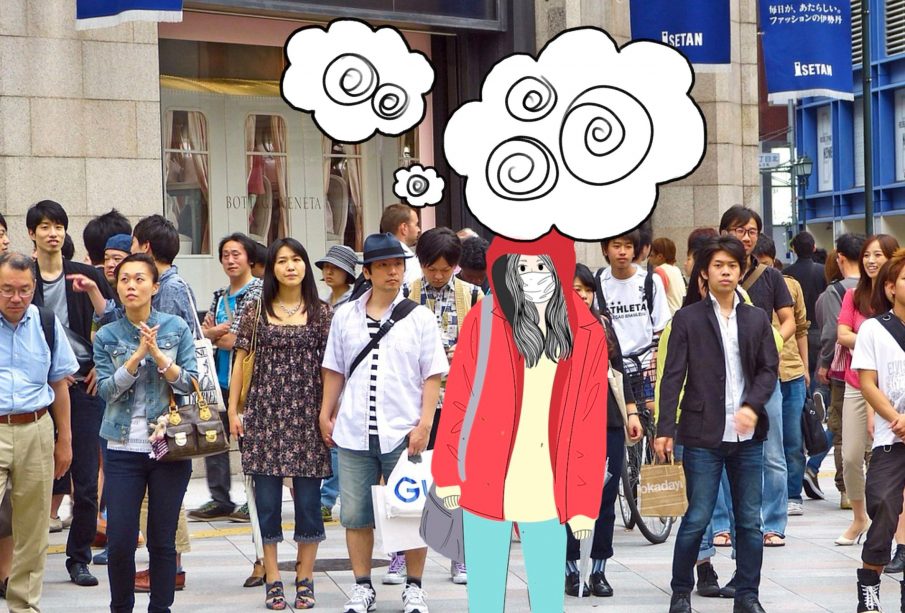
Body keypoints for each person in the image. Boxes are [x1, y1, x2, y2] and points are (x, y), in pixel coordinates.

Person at [432, 230, 609, 613]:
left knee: (547, 590)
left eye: (541, 265)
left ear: (558, 267)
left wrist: (582, 498)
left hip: (547, 473)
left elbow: (589, 421)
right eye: (521, 266)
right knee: (484, 589)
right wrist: (447, 469)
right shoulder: (486, 319)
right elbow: (459, 395)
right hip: (485, 466)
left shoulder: (586, 331)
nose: (531, 275)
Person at [319, 233, 446, 613]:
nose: (393, 272)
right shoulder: (345, 315)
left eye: (397, 265)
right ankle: (362, 586)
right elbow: (335, 368)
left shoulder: (419, 316)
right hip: (355, 430)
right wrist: (326, 411)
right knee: (355, 514)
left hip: (403, 431)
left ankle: (414, 586)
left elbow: (433, 374)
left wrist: (425, 423)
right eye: (384, 266)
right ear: (369, 272)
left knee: (411, 511)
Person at [656, 235, 779, 613]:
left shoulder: (756, 318)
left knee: (749, 522)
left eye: (732, 266)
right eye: (718, 266)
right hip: (702, 433)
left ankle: (747, 595)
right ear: (704, 274)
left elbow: (768, 369)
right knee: (697, 517)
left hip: (746, 436)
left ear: (741, 272)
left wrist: (752, 406)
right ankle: (680, 591)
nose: (725, 272)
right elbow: (673, 375)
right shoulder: (688, 319)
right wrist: (664, 428)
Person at [228, 238, 332, 610]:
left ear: (305, 266)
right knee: (268, 501)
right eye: (282, 261)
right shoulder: (255, 311)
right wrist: (232, 411)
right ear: (271, 268)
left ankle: (305, 576)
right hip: (264, 414)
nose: (290, 266)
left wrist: (330, 412)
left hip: (308, 416)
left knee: (308, 501)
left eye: (297, 260)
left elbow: (332, 370)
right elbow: (240, 361)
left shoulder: (322, 312)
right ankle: (273, 576)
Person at [93, 253, 198, 613]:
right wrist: (137, 356)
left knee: (162, 540)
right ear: (117, 287)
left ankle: (160, 608)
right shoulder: (107, 334)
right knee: (120, 540)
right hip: (122, 448)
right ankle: (120, 607)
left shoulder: (175, 327)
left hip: (168, 447)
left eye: (140, 279)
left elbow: (191, 383)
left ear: (155, 286)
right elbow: (106, 391)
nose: (131, 286)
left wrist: (160, 356)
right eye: (124, 280)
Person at [27, 199, 113, 587]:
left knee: (85, 478)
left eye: (58, 225)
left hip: (83, 386)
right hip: (36, 392)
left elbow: (113, 322)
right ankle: (20, 559)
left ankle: (78, 558)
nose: (53, 233)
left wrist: (102, 364)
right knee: (31, 479)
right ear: (32, 234)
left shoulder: (83, 275)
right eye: (44, 226)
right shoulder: (20, 278)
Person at [401, 227, 483, 586]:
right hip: (415, 402)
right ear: (421, 265)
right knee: (408, 477)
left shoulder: (474, 295)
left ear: (455, 266)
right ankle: (401, 552)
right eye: (431, 269)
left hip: (460, 400)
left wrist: (464, 354)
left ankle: (458, 553)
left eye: (444, 269)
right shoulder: (406, 294)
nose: (437, 276)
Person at [0, 251, 77, 611]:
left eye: (24, 290)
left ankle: (24, 606)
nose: (16, 298)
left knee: (32, 530)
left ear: (34, 288)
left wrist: (66, 441)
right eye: (7, 290)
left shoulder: (46, 322)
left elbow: (60, 383)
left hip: (36, 427)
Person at [718, 205, 794, 548]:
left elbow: (789, 319)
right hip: (723, 374)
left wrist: (770, 342)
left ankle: (774, 522)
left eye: (751, 231)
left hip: (764, 374)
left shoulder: (771, 276)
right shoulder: (715, 272)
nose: (745, 237)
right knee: (718, 449)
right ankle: (722, 523)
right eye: (738, 230)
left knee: (772, 451)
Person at [565, 263, 642, 598]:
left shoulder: (603, 324)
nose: (580, 294)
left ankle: (598, 569)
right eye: (573, 288)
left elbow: (618, 369)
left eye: (585, 288)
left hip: (607, 421)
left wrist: (632, 412)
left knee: (606, 498)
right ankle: (570, 569)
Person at [131, 214, 199, 590]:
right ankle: (169, 565)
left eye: (133, 246)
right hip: (169, 399)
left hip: (167, 404)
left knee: (164, 492)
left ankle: (170, 567)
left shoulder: (166, 289)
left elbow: (173, 348)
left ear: (146, 249)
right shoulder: (178, 283)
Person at [190, 233, 263, 523]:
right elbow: (205, 333)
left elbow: (245, 338)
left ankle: (255, 498)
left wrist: (219, 335)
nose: (231, 260)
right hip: (217, 379)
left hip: (246, 380)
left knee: (251, 442)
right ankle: (220, 498)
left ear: (249, 258)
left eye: (237, 254)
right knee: (214, 440)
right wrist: (216, 334)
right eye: (226, 255)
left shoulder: (258, 291)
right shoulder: (220, 295)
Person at [849, 247, 905, 611]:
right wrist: (896, 418)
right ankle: (869, 581)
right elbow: (867, 382)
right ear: (890, 287)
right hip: (892, 436)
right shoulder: (873, 328)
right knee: (883, 503)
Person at [836, 234, 899, 546]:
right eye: (867, 255)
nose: (871, 261)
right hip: (857, 383)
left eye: (878, 255)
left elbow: (852, 335)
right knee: (850, 456)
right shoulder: (853, 294)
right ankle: (860, 517)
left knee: (886, 458)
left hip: (894, 387)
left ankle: (890, 525)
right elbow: (841, 334)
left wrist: (863, 337)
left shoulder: (897, 298)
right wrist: (872, 339)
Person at [753, 235, 810, 517]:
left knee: (792, 439)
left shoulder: (788, 285)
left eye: (766, 263)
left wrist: (806, 366)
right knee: (766, 443)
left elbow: (800, 327)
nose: (762, 268)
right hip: (766, 372)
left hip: (791, 370)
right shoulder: (740, 284)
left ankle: (793, 493)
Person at [813, 234, 866, 507]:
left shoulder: (835, 291)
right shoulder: (879, 287)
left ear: (840, 257)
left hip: (845, 371)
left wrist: (824, 363)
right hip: (876, 370)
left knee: (843, 431)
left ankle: (847, 490)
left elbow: (832, 332)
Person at [595, 230, 671, 407]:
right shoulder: (598, 281)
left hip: (645, 368)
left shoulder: (650, 281)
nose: (623, 251)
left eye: (628, 246)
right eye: (616, 246)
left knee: (651, 417)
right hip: (613, 370)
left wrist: (655, 362)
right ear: (605, 249)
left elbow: (662, 328)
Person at [784, 231, 827, 384]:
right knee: (819, 372)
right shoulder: (823, 271)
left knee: (801, 373)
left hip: (795, 332)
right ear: (814, 247)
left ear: (794, 249)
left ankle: (807, 403)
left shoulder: (786, 274)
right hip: (819, 328)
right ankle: (818, 402)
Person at [379, 204, 421, 289]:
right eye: (416, 224)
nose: (419, 229)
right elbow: (413, 292)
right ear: (404, 228)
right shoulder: (409, 260)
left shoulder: (376, 256)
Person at [649, 237, 687, 315]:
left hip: (668, 317)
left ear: (660, 256)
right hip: (679, 314)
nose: (649, 258)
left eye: (651, 255)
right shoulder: (676, 270)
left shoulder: (660, 270)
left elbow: (657, 297)